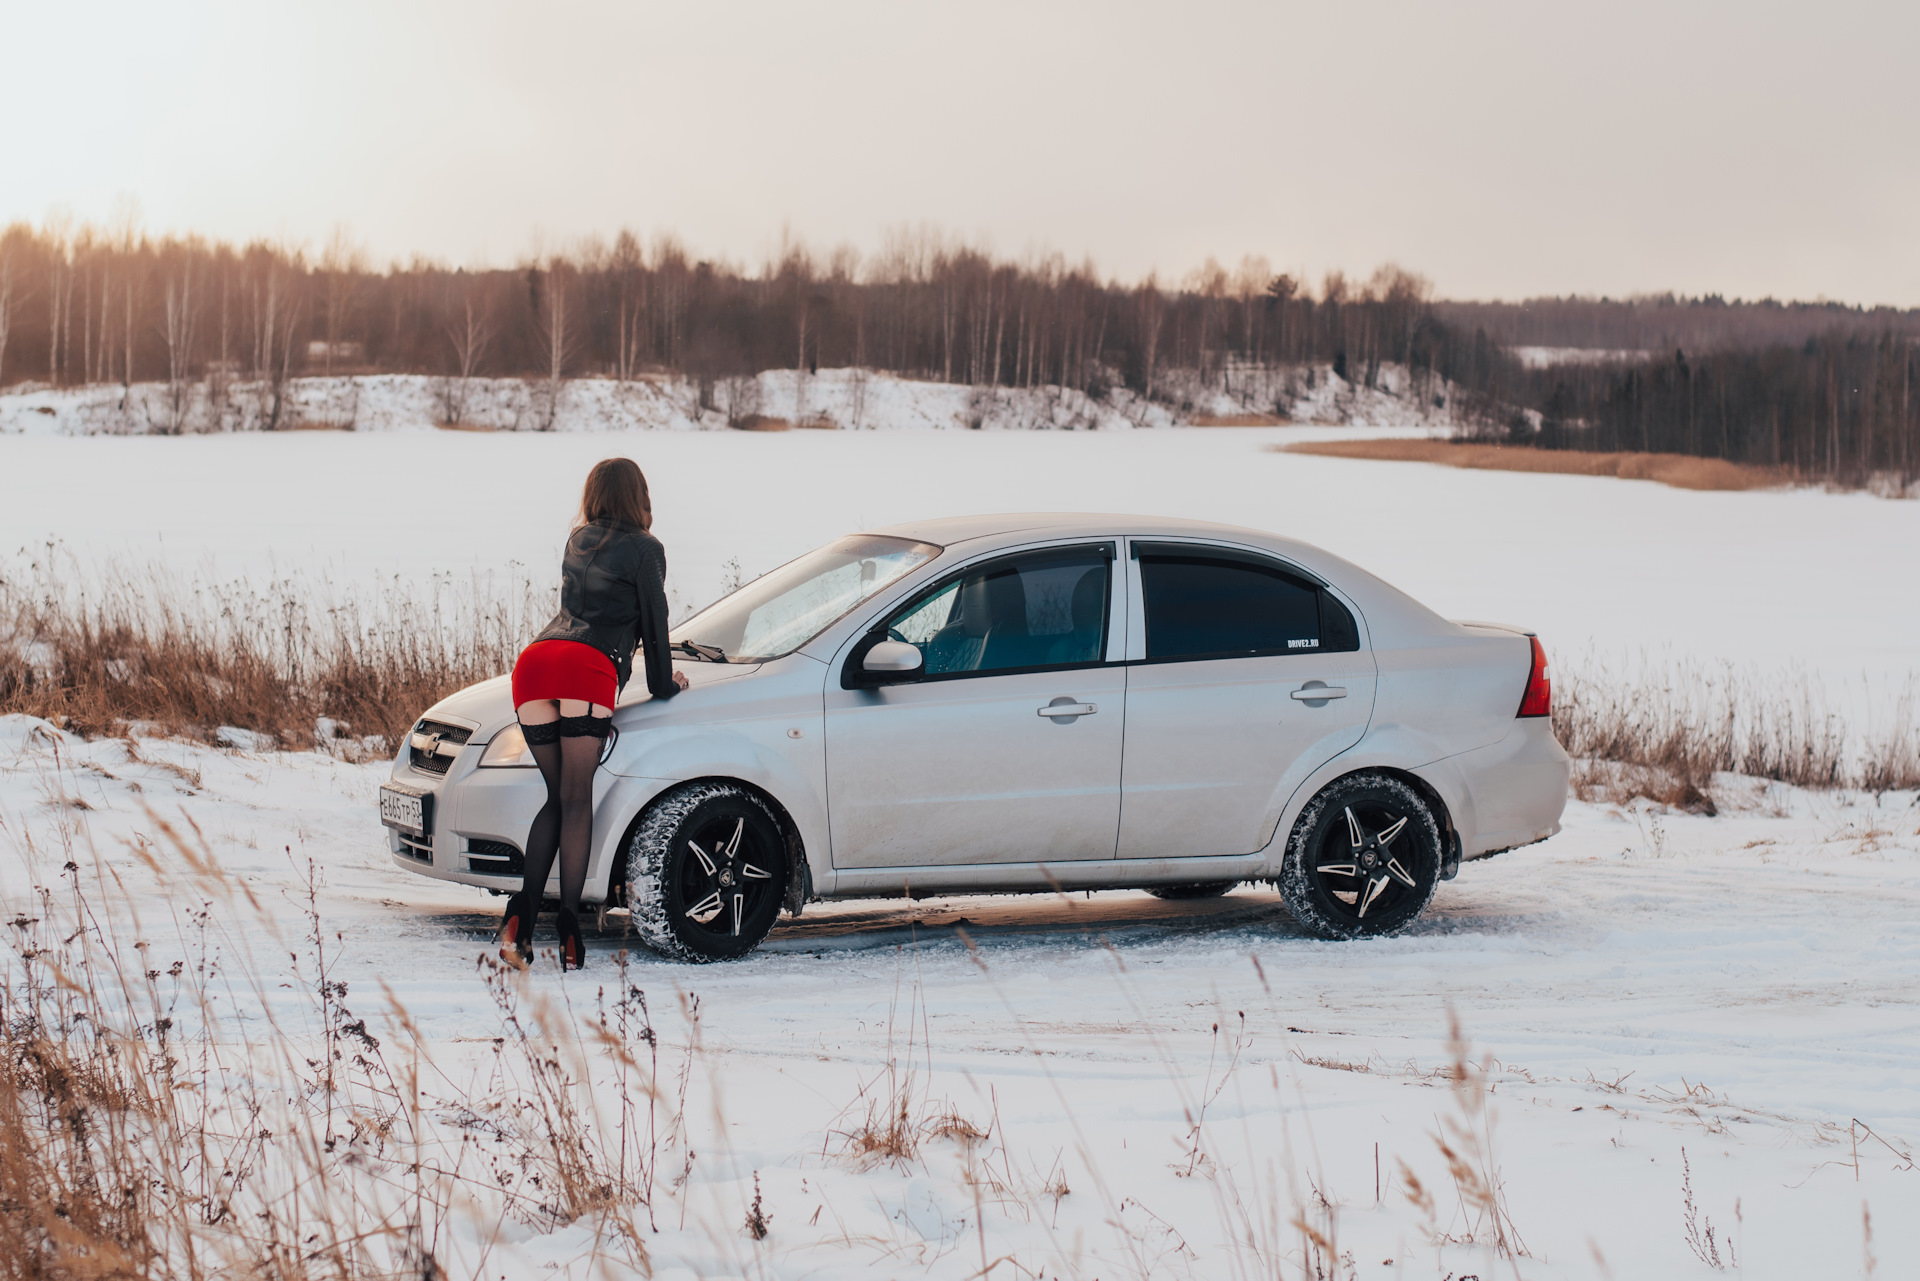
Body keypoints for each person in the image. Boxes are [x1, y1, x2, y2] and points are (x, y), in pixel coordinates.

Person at [498, 458, 689, 970]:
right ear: (639, 495)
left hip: (536, 662)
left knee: (555, 800)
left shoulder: (576, 540)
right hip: (587, 668)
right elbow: (655, 627)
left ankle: (520, 916)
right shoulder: (648, 550)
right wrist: (667, 683)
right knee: (576, 800)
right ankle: (568, 928)